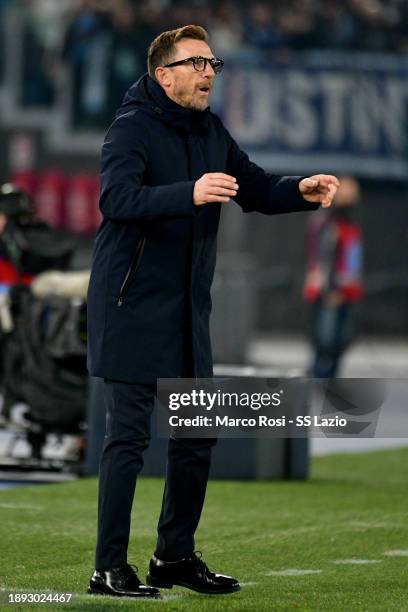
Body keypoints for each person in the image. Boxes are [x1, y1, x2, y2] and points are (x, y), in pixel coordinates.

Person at [86, 24, 340, 599]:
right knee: (126, 439)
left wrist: (299, 188)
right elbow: (115, 200)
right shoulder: (129, 130)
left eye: (213, 64)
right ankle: (109, 568)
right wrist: (189, 193)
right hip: (129, 306)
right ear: (164, 74)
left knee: (196, 437)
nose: (208, 73)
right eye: (197, 64)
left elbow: (251, 187)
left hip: (185, 312)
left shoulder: (210, 130)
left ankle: (172, 558)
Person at [303, 176, 363, 377]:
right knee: (326, 339)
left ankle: (328, 376)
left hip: (346, 291)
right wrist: (331, 290)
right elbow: (322, 259)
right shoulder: (326, 223)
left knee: (342, 339)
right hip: (330, 291)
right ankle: (319, 376)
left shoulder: (350, 225)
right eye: (347, 192)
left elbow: (352, 260)